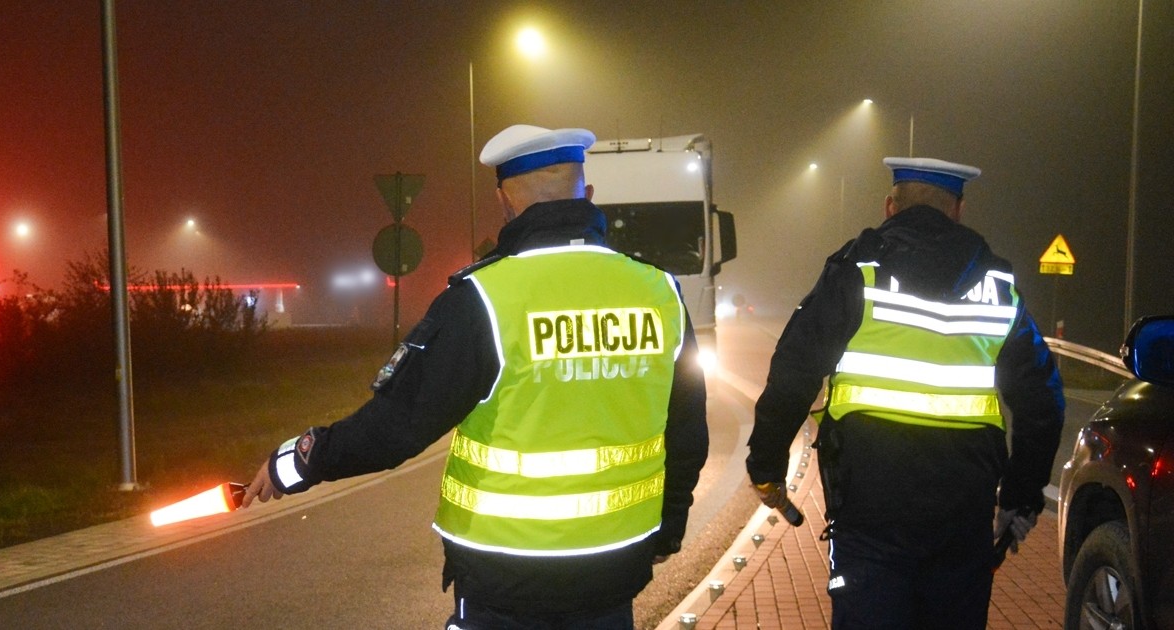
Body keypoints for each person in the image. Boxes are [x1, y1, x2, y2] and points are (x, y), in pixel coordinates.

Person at [243, 124, 709, 629]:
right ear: (588, 194)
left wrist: (298, 460)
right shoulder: (659, 292)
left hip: (504, 582)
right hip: (614, 574)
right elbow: (687, 432)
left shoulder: (483, 300)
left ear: (504, 203)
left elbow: (397, 427)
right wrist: (667, 532)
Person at [746, 157, 1065, 629]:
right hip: (964, 511)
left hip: (868, 510)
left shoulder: (857, 270)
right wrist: (1021, 497)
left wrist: (766, 465)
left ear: (890, 206)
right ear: (957, 209)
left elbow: (795, 369)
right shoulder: (998, 286)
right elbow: (1042, 400)